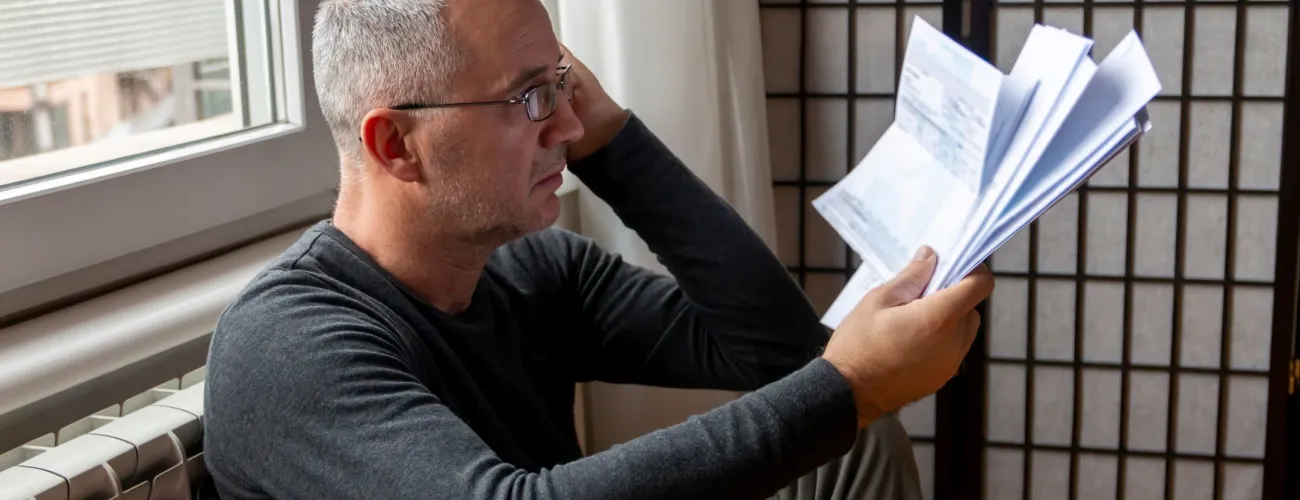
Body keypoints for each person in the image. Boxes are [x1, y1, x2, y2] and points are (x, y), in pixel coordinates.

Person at [201, 0, 995, 499]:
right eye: (530, 98)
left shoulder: (531, 272)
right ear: (396, 146)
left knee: (851, 443)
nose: (569, 126)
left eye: (562, 86)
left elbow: (781, 353)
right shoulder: (288, 344)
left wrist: (615, 140)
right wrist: (850, 384)